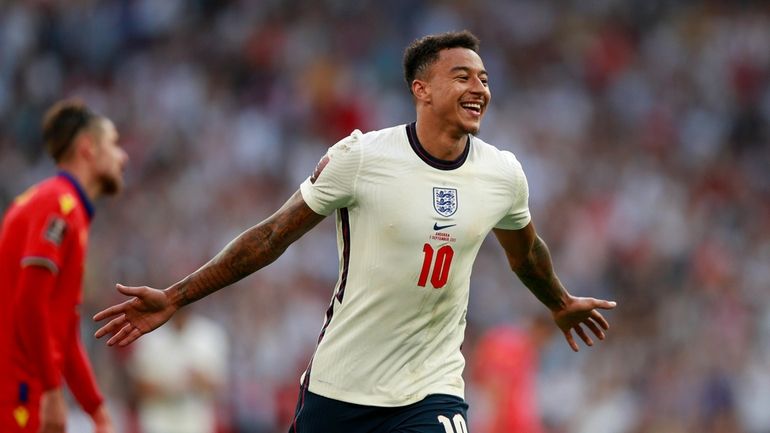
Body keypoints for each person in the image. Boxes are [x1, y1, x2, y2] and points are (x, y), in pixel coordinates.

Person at [94, 30, 616, 433]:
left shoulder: (503, 174)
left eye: (483, 78)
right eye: (462, 76)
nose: (479, 87)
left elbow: (525, 254)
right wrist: (176, 297)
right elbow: (272, 237)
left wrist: (559, 301)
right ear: (422, 89)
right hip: (341, 389)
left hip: (431, 387)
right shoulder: (361, 157)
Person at [0, 99, 128, 433]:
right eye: (114, 144)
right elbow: (29, 303)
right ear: (87, 150)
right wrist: (52, 391)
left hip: (24, 386)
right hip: (15, 389)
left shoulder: (67, 210)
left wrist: (97, 410)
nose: (122, 156)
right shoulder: (57, 203)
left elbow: (64, 331)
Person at [128, 308, 229, 433]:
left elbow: (219, 385)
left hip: (196, 423)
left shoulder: (209, 334)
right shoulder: (149, 335)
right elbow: (138, 386)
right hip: (157, 422)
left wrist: (199, 379)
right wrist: (169, 386)